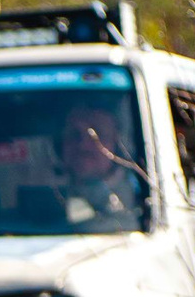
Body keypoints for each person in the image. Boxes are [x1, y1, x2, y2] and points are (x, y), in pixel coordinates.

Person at [55, 98, 147, 229]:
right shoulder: (50, 196)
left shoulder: (140, 196)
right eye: (74, 135)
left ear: (118, 145)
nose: (83, 146)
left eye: (97, 136)